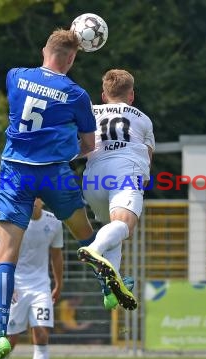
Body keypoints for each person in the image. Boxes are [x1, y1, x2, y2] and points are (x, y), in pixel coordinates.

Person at [0, 27, 107, 359]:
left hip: (15, 172)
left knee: (5, 255)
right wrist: (68, 147)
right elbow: (88, 147)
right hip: (52, 173)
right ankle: (107, 283)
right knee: (86, 236)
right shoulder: (76, 94)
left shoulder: (16, 76)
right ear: (72, 59)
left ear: (45, 49)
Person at [78, 69, 155, 310]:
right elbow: (148, 157)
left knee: (112, 228)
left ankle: (111, 288)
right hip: (124, 170)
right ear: (131, 95)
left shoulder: (90, 110)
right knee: (124, 226)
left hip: (93, 177)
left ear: (104, 94)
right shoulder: (142, 118)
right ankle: (93, 249)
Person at [0, 198, 64, 359]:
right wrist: (7, 284)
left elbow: (56, 255)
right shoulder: (13, 220)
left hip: (41, 287)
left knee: (41, 334)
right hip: (16, 285)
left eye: (37, 197)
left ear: (42, 200)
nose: (33, 200)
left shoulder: (54, 222)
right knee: (9, 340)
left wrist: (58, 283)